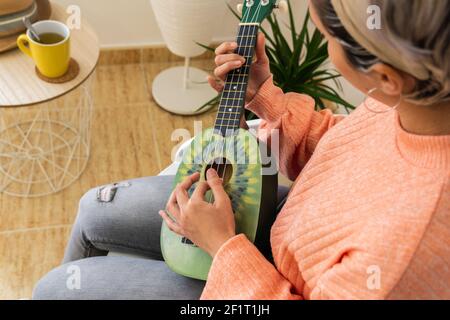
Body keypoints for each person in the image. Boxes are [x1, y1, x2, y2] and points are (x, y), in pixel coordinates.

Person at [33, 0, 450, 300]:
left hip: (260, 286)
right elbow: (339, 150)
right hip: (280, 229)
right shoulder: (414, 101)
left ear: (386, 76)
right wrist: (262, 94)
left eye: (327, 40)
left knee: (56, 289)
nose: (326, 46)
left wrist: (224, 249)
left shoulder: (402, 257)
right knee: (94, 207)